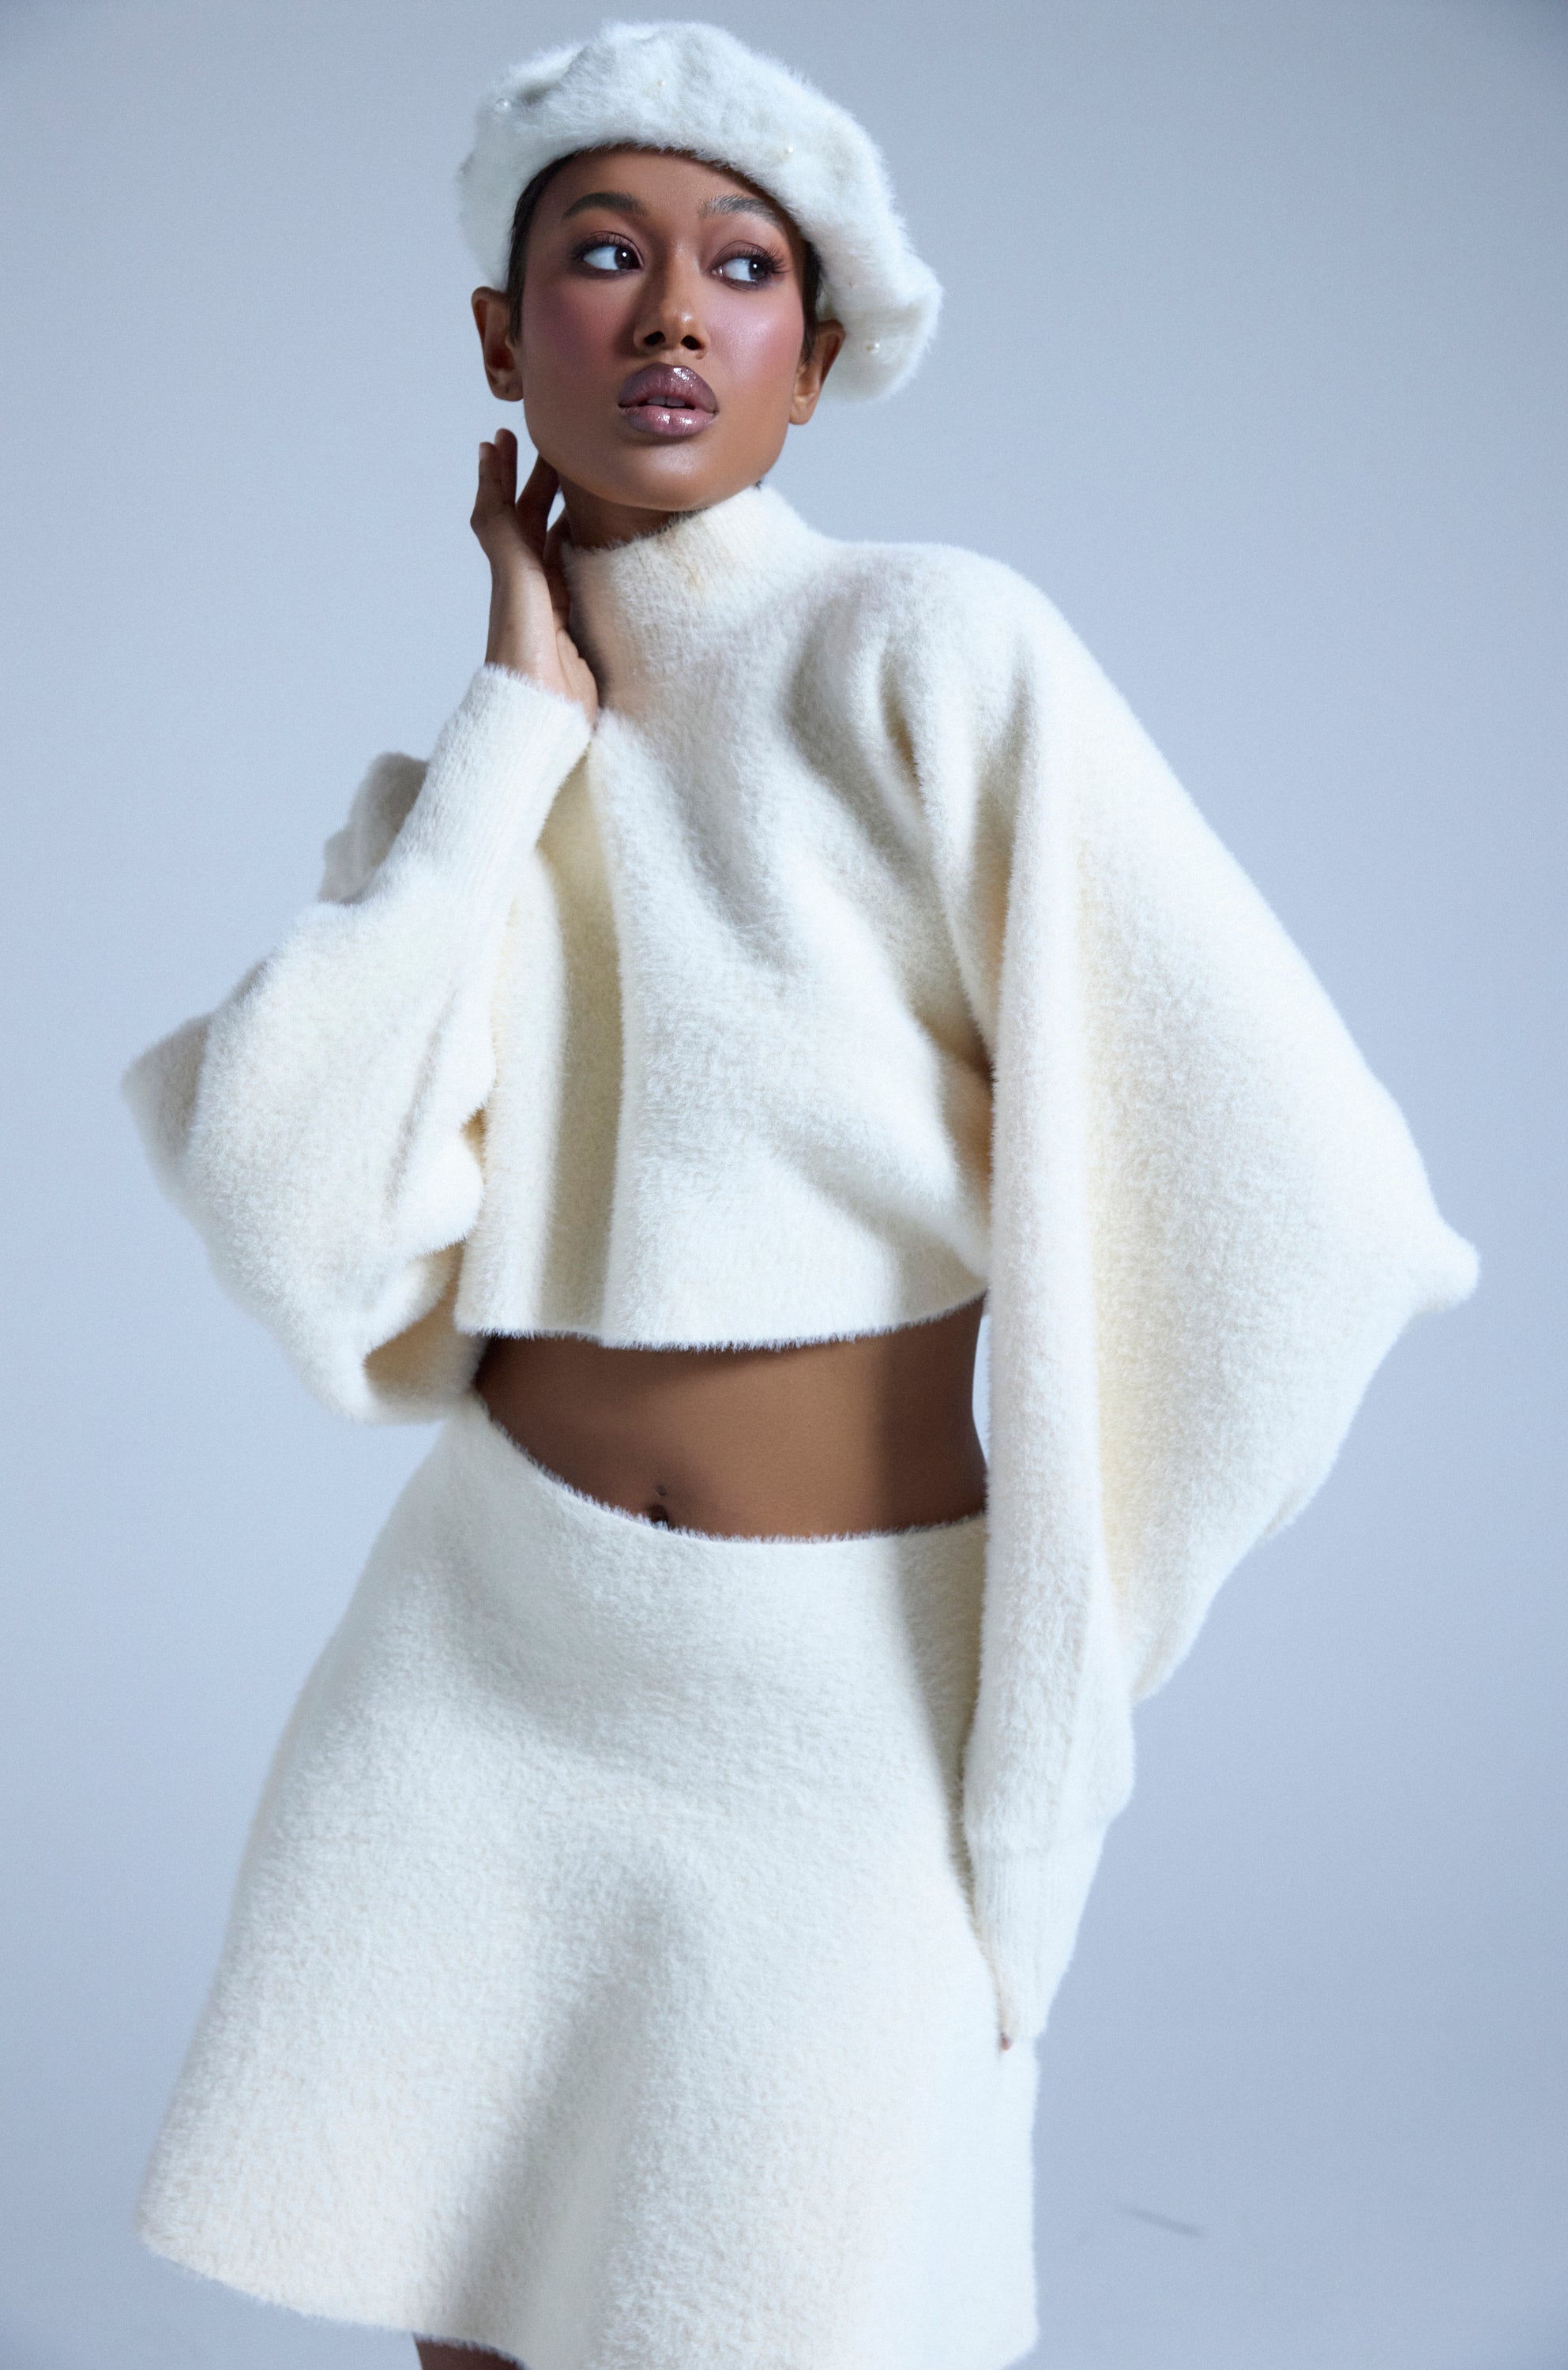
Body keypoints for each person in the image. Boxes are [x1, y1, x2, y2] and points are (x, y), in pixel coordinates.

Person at [120, 23, 1478, 2370]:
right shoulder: (465, 784)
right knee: (467, 2313)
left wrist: (1083, 1618)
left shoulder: (927, 647)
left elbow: (1319, 1200)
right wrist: (513, 724)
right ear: (499, 336)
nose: (671, 312)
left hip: (836, 1702)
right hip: (482, 1654)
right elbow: (272, 1198)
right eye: (603, 256)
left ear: (816, 361)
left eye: (742, 268)